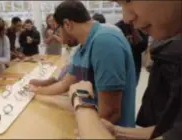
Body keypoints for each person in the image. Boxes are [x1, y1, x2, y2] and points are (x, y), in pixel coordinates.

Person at [67, 0, 182, 139]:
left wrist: (82, 101)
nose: (127, 18)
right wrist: (117, 131)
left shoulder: (105, 40)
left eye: (128, 1)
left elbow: (110, 111)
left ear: (67, 24)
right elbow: (173, 131)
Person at [29, 0, 136, 127]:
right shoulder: (83, 47)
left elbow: (110, 114)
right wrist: (37, 91)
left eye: (58, 31)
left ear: (67, 24)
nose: (61, 41)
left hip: (110, 132)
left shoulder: (105, 42)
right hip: (96, 123)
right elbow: (65, 83)